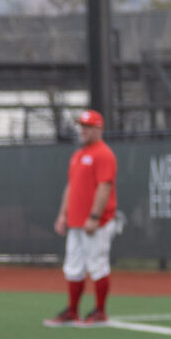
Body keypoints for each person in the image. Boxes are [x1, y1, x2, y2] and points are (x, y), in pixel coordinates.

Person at [46, 109, 118, 326]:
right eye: (81, 126)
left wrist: (94, 216)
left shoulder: (103, 153)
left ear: (98, 128)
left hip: (96, 223)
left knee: (97, 265)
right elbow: (71, 187)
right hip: (75, 222)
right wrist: (63, 214)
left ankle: (100, 311)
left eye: (88, 127)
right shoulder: (78, 155)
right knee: (73, 266)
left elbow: (104, 186)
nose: (83, 130)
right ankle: (72, 311)